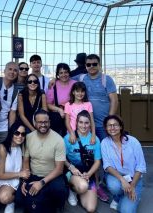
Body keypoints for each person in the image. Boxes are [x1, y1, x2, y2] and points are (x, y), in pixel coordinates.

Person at [73, 53, 118, 201]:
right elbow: (65, 81)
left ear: (99, 65)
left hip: (102, 125)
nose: (91, 67)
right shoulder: (81, 78)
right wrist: (53, 80)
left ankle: (107, 182)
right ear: (85, 66)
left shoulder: (107, 79)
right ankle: (94, 183)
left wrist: (109, 122)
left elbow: (114, 100)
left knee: (105, 155)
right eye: (88, 64)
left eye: (94, 64)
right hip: (85, 126)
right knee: (89, 155)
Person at [15, 110, 68, 212]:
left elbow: (59, 169)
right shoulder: (29, 138)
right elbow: (26, 161)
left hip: (52, 176)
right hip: (34, 174)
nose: (43, 125)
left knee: (59, 191)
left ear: (49, 122)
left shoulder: (58, 140)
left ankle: (52, 203)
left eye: (45, 122)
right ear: (35, 123)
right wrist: (25, 180)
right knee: (19, 198)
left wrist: (41, 183)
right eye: (40, 122)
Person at [101, 115, 146, 213]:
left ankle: (124, 198)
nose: (112, 128)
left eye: (115, 125)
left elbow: (141, 166)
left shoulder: (133, 141)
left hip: (134, 179)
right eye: (109, 125)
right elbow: (107, 165)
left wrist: (132, 186)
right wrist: (122, 180)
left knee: (126, 211)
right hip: (117, 177)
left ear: (121, 126)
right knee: (114, 186)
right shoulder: (104, 143)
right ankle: (119, 195)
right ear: (106, 128)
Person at [64, 110, 101, 212]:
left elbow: (97, 161)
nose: (83, 126)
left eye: (86, 123)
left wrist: (89, 174)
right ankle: (73, 190)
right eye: (81, 122)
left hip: (88, 173)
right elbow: (61, 158)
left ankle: (80, 191)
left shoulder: (95, 139)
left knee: (91, 208)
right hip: (73, 172)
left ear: (90, 124)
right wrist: (71, 167)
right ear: (76, 122)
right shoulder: (68, 138)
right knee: (83, 186)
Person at [0, 122, 30, 213]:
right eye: (17, 133)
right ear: (11, 133)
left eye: (23, 134)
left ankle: (10, 202)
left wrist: (24, 177)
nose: (20, 136)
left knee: (4, 197)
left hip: (11, 180)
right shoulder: (2, 148)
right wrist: (20, 174)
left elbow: (25, 169)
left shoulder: (22, 147)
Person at [0, 62, 19, 145]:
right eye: (10, 69)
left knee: (3, 151)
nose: (12, 72)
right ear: (4, 71)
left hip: (3, 127)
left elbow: (12, 112)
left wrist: (11, 131)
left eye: (15, 70)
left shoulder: (15, 91)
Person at [46, 63, 76, 136]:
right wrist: (59, 110)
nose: (64, 75)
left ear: (69, 72)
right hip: (59, 116)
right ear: (58, 74)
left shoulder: (75, 84)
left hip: (73, 116)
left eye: (66, 72)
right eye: (61, 73)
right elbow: (48, 104)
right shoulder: (54, 85)